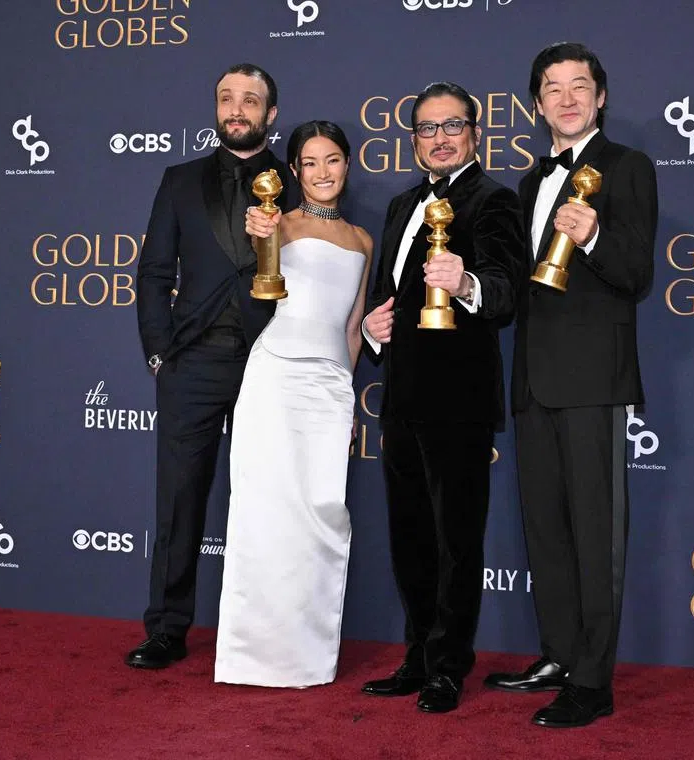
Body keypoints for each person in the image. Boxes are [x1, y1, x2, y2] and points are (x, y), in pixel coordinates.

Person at [482, 43, 658, 728]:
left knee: (595, 534)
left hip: (593, 381)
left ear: (601, 97)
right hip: (533, 381)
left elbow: (637, 274)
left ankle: (593, 680)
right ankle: (557, 654)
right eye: (552, 89)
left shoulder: (628, 168)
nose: (566, 98)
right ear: (536, 105)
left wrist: (592, 237)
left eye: (579, 86)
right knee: (547, 531)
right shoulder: (528, 183)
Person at [359, 82, 526, 713]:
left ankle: (450, 664)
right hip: (399, 395)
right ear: (413, 141)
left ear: (475, 132)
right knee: (410, 535)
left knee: (457, 539)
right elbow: (389, 293)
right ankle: (417, 655)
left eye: (452, 125)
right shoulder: (403, 204)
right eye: (427, 129)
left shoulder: (494, 200)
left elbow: (508, 294)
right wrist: (377, 328)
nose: (440, 137)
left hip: (458, 399)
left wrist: (468, 283)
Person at [127, 63, 295, 670]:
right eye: (227, 97)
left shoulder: (299, 183)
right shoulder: (179, 179)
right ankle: (167, 628)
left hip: (269, 358)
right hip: (193, 358)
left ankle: (271, 628)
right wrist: (158, 348)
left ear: (270, 114)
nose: (237, 108)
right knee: (178, 499)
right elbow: (152, 273)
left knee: (272, 499)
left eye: (251, 100)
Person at [214, 121, 372, 688]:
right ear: (294, 171)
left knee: (321, 516)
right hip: (275, 374)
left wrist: (345, 393)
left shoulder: (362, 240)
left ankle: (308, 656)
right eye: (309, 162)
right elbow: (264, 269)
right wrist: (262, 232)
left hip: (329, 386)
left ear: (347, 165)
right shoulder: (276, 220)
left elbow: (353, 327)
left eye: (332, 160)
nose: (322, 172)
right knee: (264, 510)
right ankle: (252, 655)